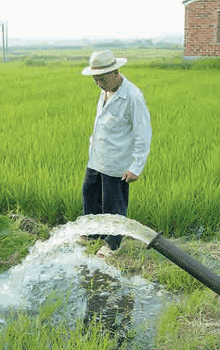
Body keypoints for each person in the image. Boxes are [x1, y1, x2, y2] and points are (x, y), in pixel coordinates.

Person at [81, 50, 152, 258]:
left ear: (115, 72)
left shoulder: (132, 97)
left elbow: (143, 134)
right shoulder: (105, 90)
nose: (98, 84)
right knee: (89, 194)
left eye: (101, 79)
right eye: (95, 80)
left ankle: (113, 245)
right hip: (97, 156)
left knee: (113, 204)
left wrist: (136, 166)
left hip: (117, 161)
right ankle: (93, 234)